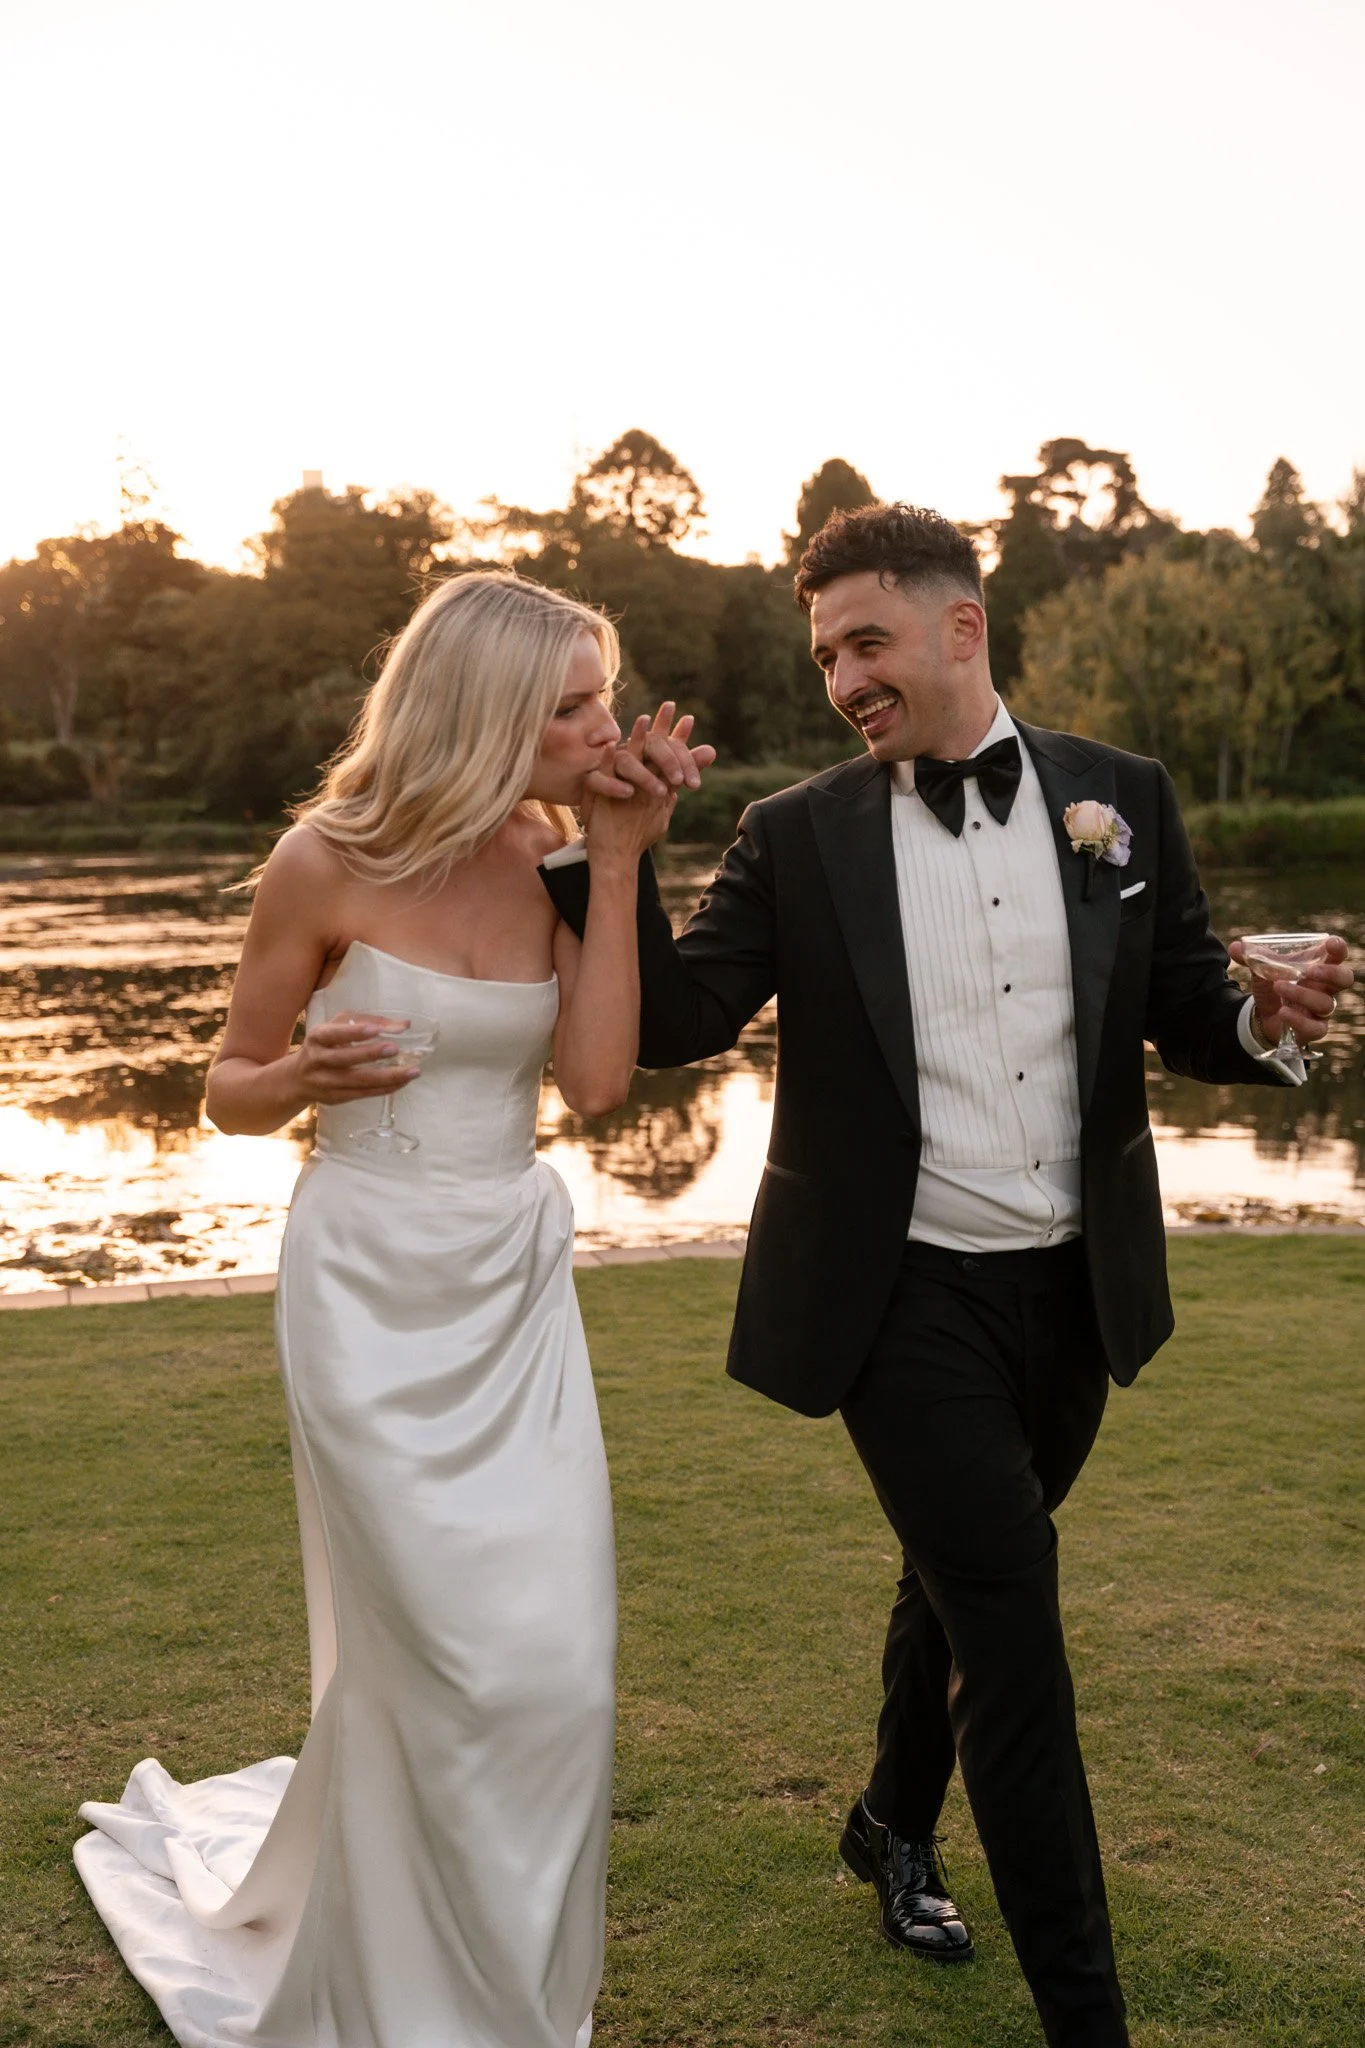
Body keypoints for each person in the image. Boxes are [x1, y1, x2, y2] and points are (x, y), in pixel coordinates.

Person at [540, 504, 1354, 2048]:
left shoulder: (1122, 801)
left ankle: (889, 1825)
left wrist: (1269, 1026)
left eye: (866, 641)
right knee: (1015, 1622)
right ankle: (1087, 2019)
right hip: (896, 1295)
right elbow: (683, 1018)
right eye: (825, 653)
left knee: (959, 1573)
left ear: (962, 627)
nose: (843, 676)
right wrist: (613, 851)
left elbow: (1185, 1001)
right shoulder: (798, 832)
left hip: (1073, 1289)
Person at [74, 569, 711, 2048]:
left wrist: (619, 859)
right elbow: (226, 1087)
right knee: (438, 1657)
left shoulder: (559, 851)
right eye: (572, 705)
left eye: (603, 697)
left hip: (511, 1286)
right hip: (364, 1288)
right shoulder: (323, 860)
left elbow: (603, 1088)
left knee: (553, 1668)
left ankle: (510, 1996)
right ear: (484, 709)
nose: (602, 725)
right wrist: (300, 1078)